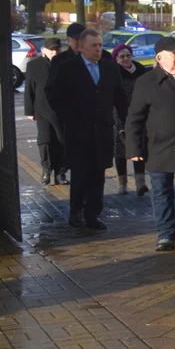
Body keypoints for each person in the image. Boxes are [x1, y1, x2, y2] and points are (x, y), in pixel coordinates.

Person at [125, 37, 175, 251]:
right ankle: (166, 235)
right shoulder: (146, 82)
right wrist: (133, 148)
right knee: (161, 192)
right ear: (160, 58)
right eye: (173, 54)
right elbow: (134, 118)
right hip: (158, 147)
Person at [46, 29, 127, 231]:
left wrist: (127, 123)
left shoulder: (110, 68)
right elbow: (56, 98)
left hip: (102, 132)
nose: (98, 49)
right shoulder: (67, 68)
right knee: (81, 174)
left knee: (98, 175)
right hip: (78, 132)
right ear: (81, 47)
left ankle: (93, 215)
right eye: (94, 46)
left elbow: (120, 98)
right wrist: (70, 120)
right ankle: (76, 212)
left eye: (100, 45)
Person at [25, 37, 66, 185]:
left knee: (62, 141)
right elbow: (29, 88)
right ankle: (46, 170)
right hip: (42, 109)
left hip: (62, 110)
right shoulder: (34, 66)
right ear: (44, 50)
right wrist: (29, 111)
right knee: (45, 141)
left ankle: (61, 172)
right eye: (51, 50)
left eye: (57, 49)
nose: (54, 52)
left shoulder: (65, 64)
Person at [112, 44, 149, 196]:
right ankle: (123, 185)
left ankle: (140, 184)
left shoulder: (140, 70)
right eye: (122, 57)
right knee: (120, 151)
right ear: (116, 59)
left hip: (139, 114)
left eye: (128, 55)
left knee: (138, 148)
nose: (126, 59)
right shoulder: (114, 73)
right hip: (119, 115)